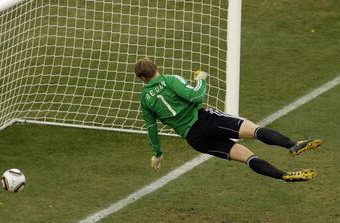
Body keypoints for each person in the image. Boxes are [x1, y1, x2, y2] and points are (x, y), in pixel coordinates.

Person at [135, 57, 322, 182]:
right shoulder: (170, 80)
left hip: (195, 139)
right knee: (255, 131)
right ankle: (293, 145)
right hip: (206, 120)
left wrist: (158, 155)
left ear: (142, 78)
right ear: (156, 68)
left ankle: (284, 175)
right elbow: (196, 97)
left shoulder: (145, 99)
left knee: (247, 157)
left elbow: (151, 129)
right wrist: (202, 79)